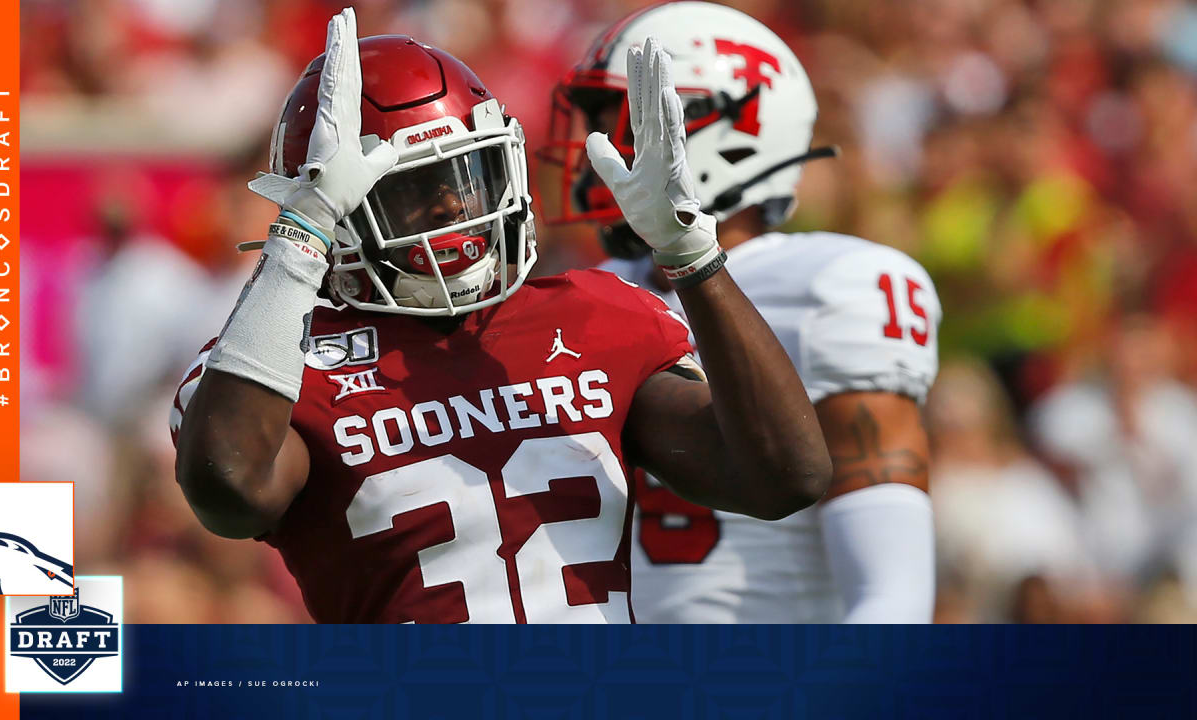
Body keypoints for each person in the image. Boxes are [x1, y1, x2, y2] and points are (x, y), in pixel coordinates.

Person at [170, 9, 830, 624]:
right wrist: (299, 238)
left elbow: (784, 476)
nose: (455, 208)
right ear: (333, 206)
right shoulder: (282, 364)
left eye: (468, 175)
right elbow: (230, 490)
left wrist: (693, 256)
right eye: (415, 189)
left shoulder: (598, 314)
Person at [542, 2, 941, 623]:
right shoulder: (583, 295)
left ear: (716, 127)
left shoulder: (830, 287)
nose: (591, 151)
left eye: (614, 122)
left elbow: (892, 591)